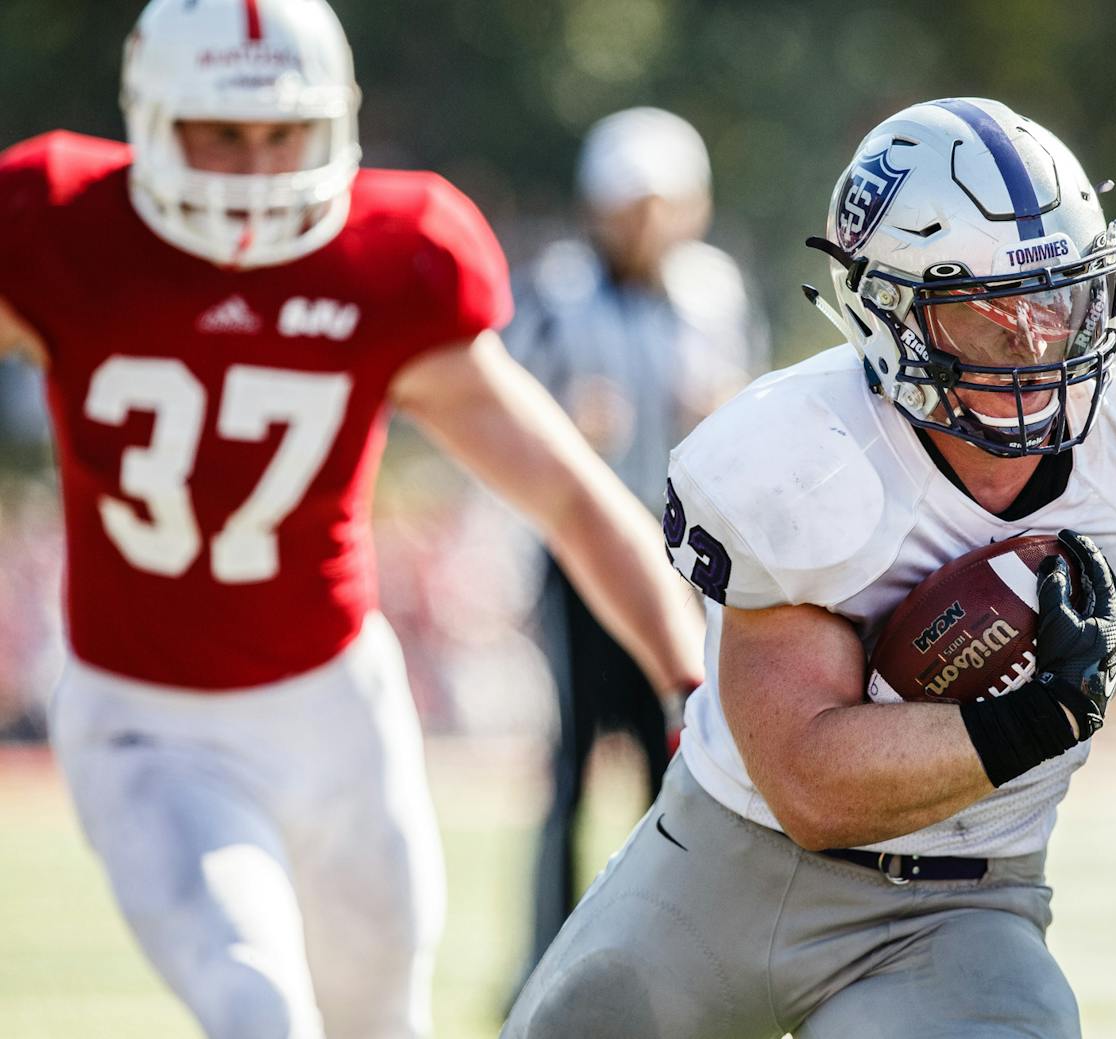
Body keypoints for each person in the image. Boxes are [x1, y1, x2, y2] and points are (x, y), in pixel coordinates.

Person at [503, 97, 1116, 1039]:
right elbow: (809, 787)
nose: (1036, 341)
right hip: (726, 869)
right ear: (885, 312)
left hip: (960, 908)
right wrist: (1029, 721)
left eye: (1059, 295)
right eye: (986, 312)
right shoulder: (808, 454)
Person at [0, 1, 704, 1036]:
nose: (253, 167)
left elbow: (565, 490)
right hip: (149, 729)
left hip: (336, 714)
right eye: (221, 132)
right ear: (149, 118)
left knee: (384, 1024)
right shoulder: (53, 222)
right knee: (257, 1005)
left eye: (281, 130)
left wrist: (690, 680)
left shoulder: (389, 258)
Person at [502, 106, 765, 981]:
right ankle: (548, 955)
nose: (648, 224)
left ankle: (670, 946)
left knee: (678, 752)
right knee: (573, 761)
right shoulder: (558, 289)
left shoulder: (714, 289)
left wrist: (722, 408)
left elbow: (754, 402)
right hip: (583, 559)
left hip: (688, 557)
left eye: (664, 204)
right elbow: (506, 404)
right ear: (598, 206)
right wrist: (567, 427)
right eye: (631, 205)